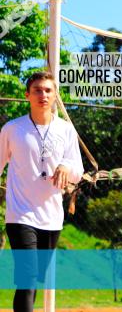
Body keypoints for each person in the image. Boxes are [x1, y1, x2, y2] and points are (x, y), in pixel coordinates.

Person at [0, 72, 84, 312]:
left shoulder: (66, 130)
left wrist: (66, 167)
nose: (43, 95)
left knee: (34, 279)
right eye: (37, 90)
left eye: (48, 90)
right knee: (27, 278)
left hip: (52, 218)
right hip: (20, 215)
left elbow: (78, 170)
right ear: (27, 95)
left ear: (56, 95)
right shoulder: (12, 129)